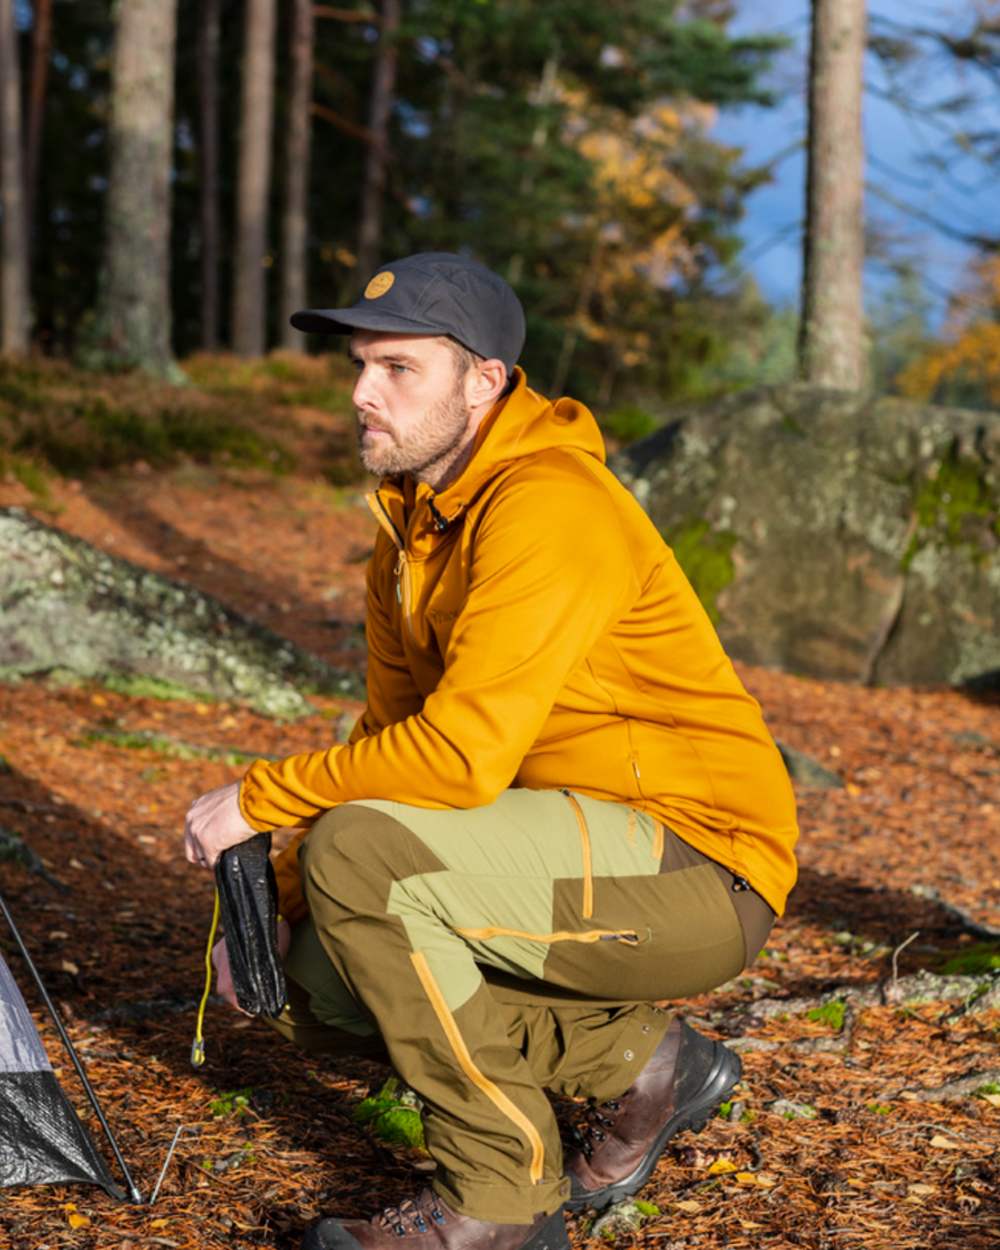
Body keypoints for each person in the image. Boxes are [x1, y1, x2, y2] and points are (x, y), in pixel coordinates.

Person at [184, 252, 798, 1250]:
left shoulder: (550, 503)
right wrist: (283, 899)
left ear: (486, 380)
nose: (359, 391)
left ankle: (500, 1199)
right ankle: (644, 1063)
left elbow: (461, 759)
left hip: (697, 864)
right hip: (560, 852)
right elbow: (391, 741)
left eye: (397, 369)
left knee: (359, 858)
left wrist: (263, 799)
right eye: (358, 364)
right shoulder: (413, 530)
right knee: (307, 972)